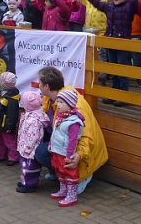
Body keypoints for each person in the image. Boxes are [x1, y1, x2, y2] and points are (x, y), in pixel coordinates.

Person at [33, 67, 108, 195]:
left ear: (46, 86)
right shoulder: (50, 97)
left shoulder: (74, 105)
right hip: (62, 140)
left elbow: (86, 136)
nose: (37, 85)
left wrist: (79, 155)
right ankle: (58, 172)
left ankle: (81, 176)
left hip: (79, 149)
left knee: (40, 152)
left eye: (39, 82)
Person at [87, 0, 139, 104]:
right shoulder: (109, 6)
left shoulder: (128, 7)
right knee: (112, 69)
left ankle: (123, 95)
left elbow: (135, 6)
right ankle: (113, 94)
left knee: (121, 69)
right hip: (110, 41)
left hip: (122, 43)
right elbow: (98, 3)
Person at [47, 89, 85, 207]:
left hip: (65, 153)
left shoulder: (74, 122)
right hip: (57, 150)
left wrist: (69, 155)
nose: (58, 105)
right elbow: (55, 133)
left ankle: (72, 195)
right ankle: (63, 190)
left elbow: (73, 140)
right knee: (59, 170)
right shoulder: (60, 117)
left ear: (70, 105)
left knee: (69, 172)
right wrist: (50, 144)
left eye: (62, 103)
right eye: (58, 102)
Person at [15, 90, 49, 193]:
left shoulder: (33, 119)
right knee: (25, 166)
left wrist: (28, 148)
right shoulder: (31, 115)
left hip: (29, 149)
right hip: (25, 147)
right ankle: (25, 181)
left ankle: (30, 185)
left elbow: (33, 136)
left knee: (30, 167)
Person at [0, 72, 20, 165]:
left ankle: (13, 157)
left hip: (6, 125)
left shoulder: (12, 99)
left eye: (0, 80)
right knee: (0, 141)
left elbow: (12, 114)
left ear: (4, 84)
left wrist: (9, 126)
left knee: (9, 141)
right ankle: (0, 155)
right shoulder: (2, 92)